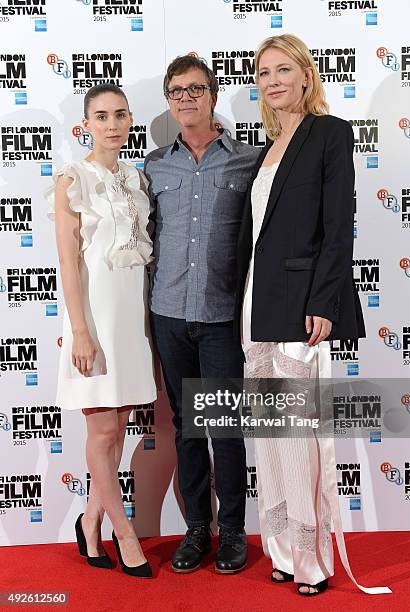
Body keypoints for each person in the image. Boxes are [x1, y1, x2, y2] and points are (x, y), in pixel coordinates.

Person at [235, 34, 391, 596]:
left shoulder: (329, 132)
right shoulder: (265, 147)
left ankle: (312, 559)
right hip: (257, 304)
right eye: (262, 72)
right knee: (271, 437)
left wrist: (324, 302)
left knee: (302, 439)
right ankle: (281, 547)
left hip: (302, 308)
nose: (272, 80)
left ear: (306, 74)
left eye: (283, 69)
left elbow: (337, 225)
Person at [144, 55, 259, 574]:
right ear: (169, 101)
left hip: (220, 318)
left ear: (213, 94)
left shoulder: (246, 161)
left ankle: (232, 529)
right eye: (176, 91)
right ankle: (197, 529)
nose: (185, 97)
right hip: (167, 314)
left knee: (224, 427)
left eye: (195, 88)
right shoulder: (153, 165)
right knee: (187, 427)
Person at [46, 84, 156, 578]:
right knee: (103, 427)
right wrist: (80, 330)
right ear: (86, 124)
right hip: (93, 318)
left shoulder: (136, 178)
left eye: (120, 115)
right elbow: (68, 264)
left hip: (132, 316)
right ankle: (123, 531)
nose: (111, 124)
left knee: (119, 426)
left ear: (130, 120)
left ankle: (90, 522)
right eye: (101, 116)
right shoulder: (73, 179)